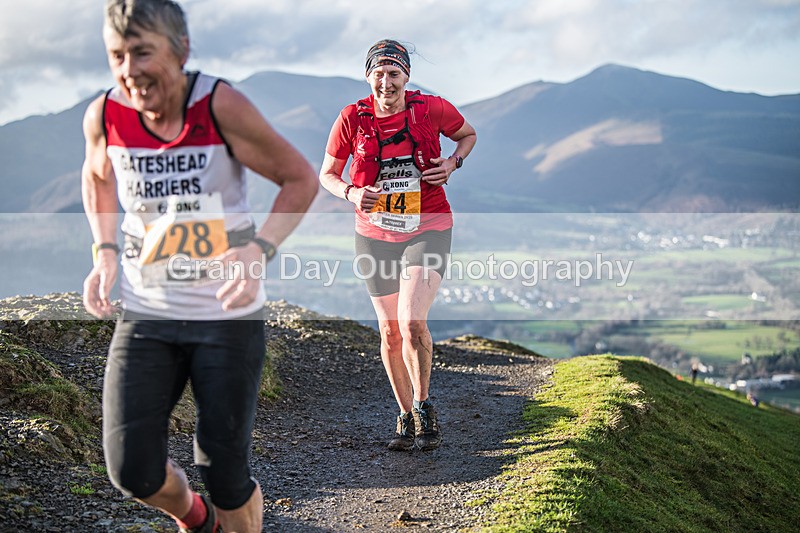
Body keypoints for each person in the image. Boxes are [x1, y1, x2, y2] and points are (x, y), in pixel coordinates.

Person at [81, 1, 317, 531]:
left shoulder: (218, 105)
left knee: (225, 469)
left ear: (180, 51)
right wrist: (105, 251)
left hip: (226, 314)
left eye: (143, 53)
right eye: (116, 56)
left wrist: (259, 250)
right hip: (148, 312)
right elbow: (97, 177)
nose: (129, 71)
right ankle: (196, 517)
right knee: (132, 469)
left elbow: (299, 177)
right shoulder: (106, 115)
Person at [319, 39, 477, 452]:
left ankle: (424, 406)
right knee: (390, 332)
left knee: (411, 321)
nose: (386, 82)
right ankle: (405, 415)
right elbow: (328, 175)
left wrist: (452, 163)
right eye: (379, 73)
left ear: (406, 76)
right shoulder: (352, 118)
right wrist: (352, 193)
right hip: (374, 234)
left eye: (394, 73)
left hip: (428, 225)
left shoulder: (432, 109)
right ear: (368, 75)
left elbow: (467, 135)